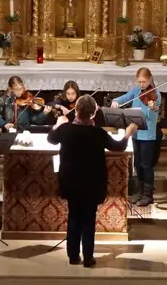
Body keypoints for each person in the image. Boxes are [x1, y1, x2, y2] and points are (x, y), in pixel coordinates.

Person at [49, 95, 137, 266]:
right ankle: (88, 257)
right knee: (88, 218)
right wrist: (127, 135)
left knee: (74, 216)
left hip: (71, 180)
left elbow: (51, 139)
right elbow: (118, 147)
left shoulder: (66, 129)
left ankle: (73, 256)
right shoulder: (98, 133)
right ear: (93, 113)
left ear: (76, 110)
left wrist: (57, 124)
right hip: (91, 182)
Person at [109, 67, 162, 205]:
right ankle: (139, 191)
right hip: (136, 134)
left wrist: (152, 108)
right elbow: (124, 98)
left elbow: (152, 116)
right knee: (137, 164)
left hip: (148, 135)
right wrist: (116, 101)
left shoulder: (156, 94)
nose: (141, 85)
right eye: (139, 82)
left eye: (144, 82)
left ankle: (148, 194)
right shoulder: (136, 91)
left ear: (150, 79)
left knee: (146, 164)